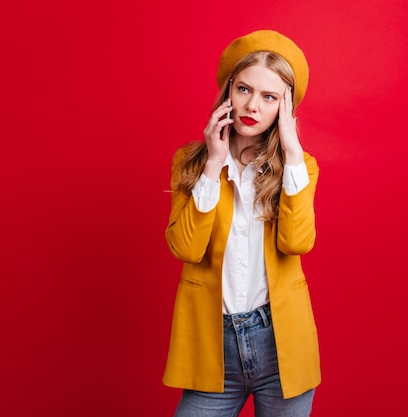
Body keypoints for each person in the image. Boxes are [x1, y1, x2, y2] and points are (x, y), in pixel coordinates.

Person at [163, 29, 321, 417]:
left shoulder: (300, 169)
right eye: (244, 89)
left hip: (280, 343)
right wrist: (213, 164)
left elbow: (296, 243)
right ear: (228, 91)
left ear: (284, 108)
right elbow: (185, 248)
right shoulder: (191, 161)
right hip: (213, 343)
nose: (252, 105)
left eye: (269, 97)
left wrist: (292, 154)